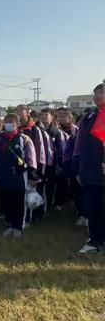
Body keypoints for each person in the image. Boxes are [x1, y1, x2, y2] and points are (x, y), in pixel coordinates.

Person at [0, 113, 38, 237]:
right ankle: (9, 224)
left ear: (17, 124)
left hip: (19, 176)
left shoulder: (24, 139)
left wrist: (32, 176)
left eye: (11, 121)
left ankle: (18, 226)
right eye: (6, 121)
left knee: (19, 201)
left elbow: (31, 158)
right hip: (4, 175)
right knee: (7, 200)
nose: (8, 124)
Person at [73, 83, 105, 254]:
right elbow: (79, 146)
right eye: (95, 93)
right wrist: (78, 168)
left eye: (101, 92)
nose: (97, 95)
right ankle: (95, 240)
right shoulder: (89, 117)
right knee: (94, 207)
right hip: (90, 171)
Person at [57, 107, 85, 225]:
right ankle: (82, 215)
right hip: (77, 170)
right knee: (79, 193)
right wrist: (70, 170)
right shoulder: (74, 137)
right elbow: (68, 154)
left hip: (92, 170)